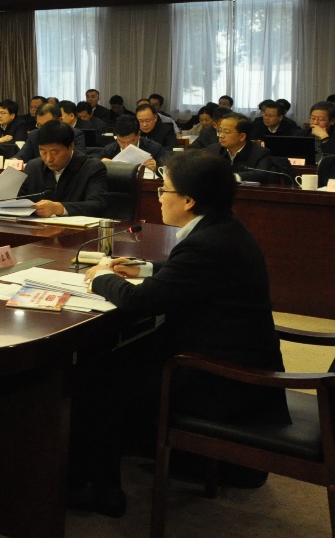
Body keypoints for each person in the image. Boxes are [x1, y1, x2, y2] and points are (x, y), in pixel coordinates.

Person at [74, 151, 289, 513]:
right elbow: (190, 274)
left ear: (188, 200)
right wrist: (144, 268)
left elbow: (139, 302)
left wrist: (102, 277)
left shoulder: (205, 244)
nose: (159, 197)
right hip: (235, 361)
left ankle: (97, 488)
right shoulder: (223, 229)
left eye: (164, 190)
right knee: (115, 359)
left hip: (223, 381)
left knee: (99, 375)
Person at [0, 121, 107, 218]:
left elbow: (98, 205)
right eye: (43, 151)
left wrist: (58, 208)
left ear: (71, 146)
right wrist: (0, 204)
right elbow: (21, 200)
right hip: (39, 232)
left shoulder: (92, 168)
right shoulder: (33, 167)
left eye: (54, 152)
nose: (48, 159)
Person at [206, 113, 293, 184]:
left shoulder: (260, 153)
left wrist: (233, 177)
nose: (221, 136)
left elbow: (262, 174)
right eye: (220, 131)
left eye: (226, 132)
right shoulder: (213, 150)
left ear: (242, 136)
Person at [14, 102, 85, 162]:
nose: (43, 129)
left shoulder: (74, 134)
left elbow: (78, 160)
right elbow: (21, 156)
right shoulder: (34, 135)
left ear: (60, 121)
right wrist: (13, 161)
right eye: (39, 125)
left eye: (47, 125)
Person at [94, 114, 167, 171]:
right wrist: (101, 161)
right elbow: (94, 159)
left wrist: (157, 167)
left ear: (138, 135)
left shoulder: (154, 148)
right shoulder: (110, 149)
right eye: (121, 141)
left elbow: (167, 169)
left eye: (131, 141)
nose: (126, 146)